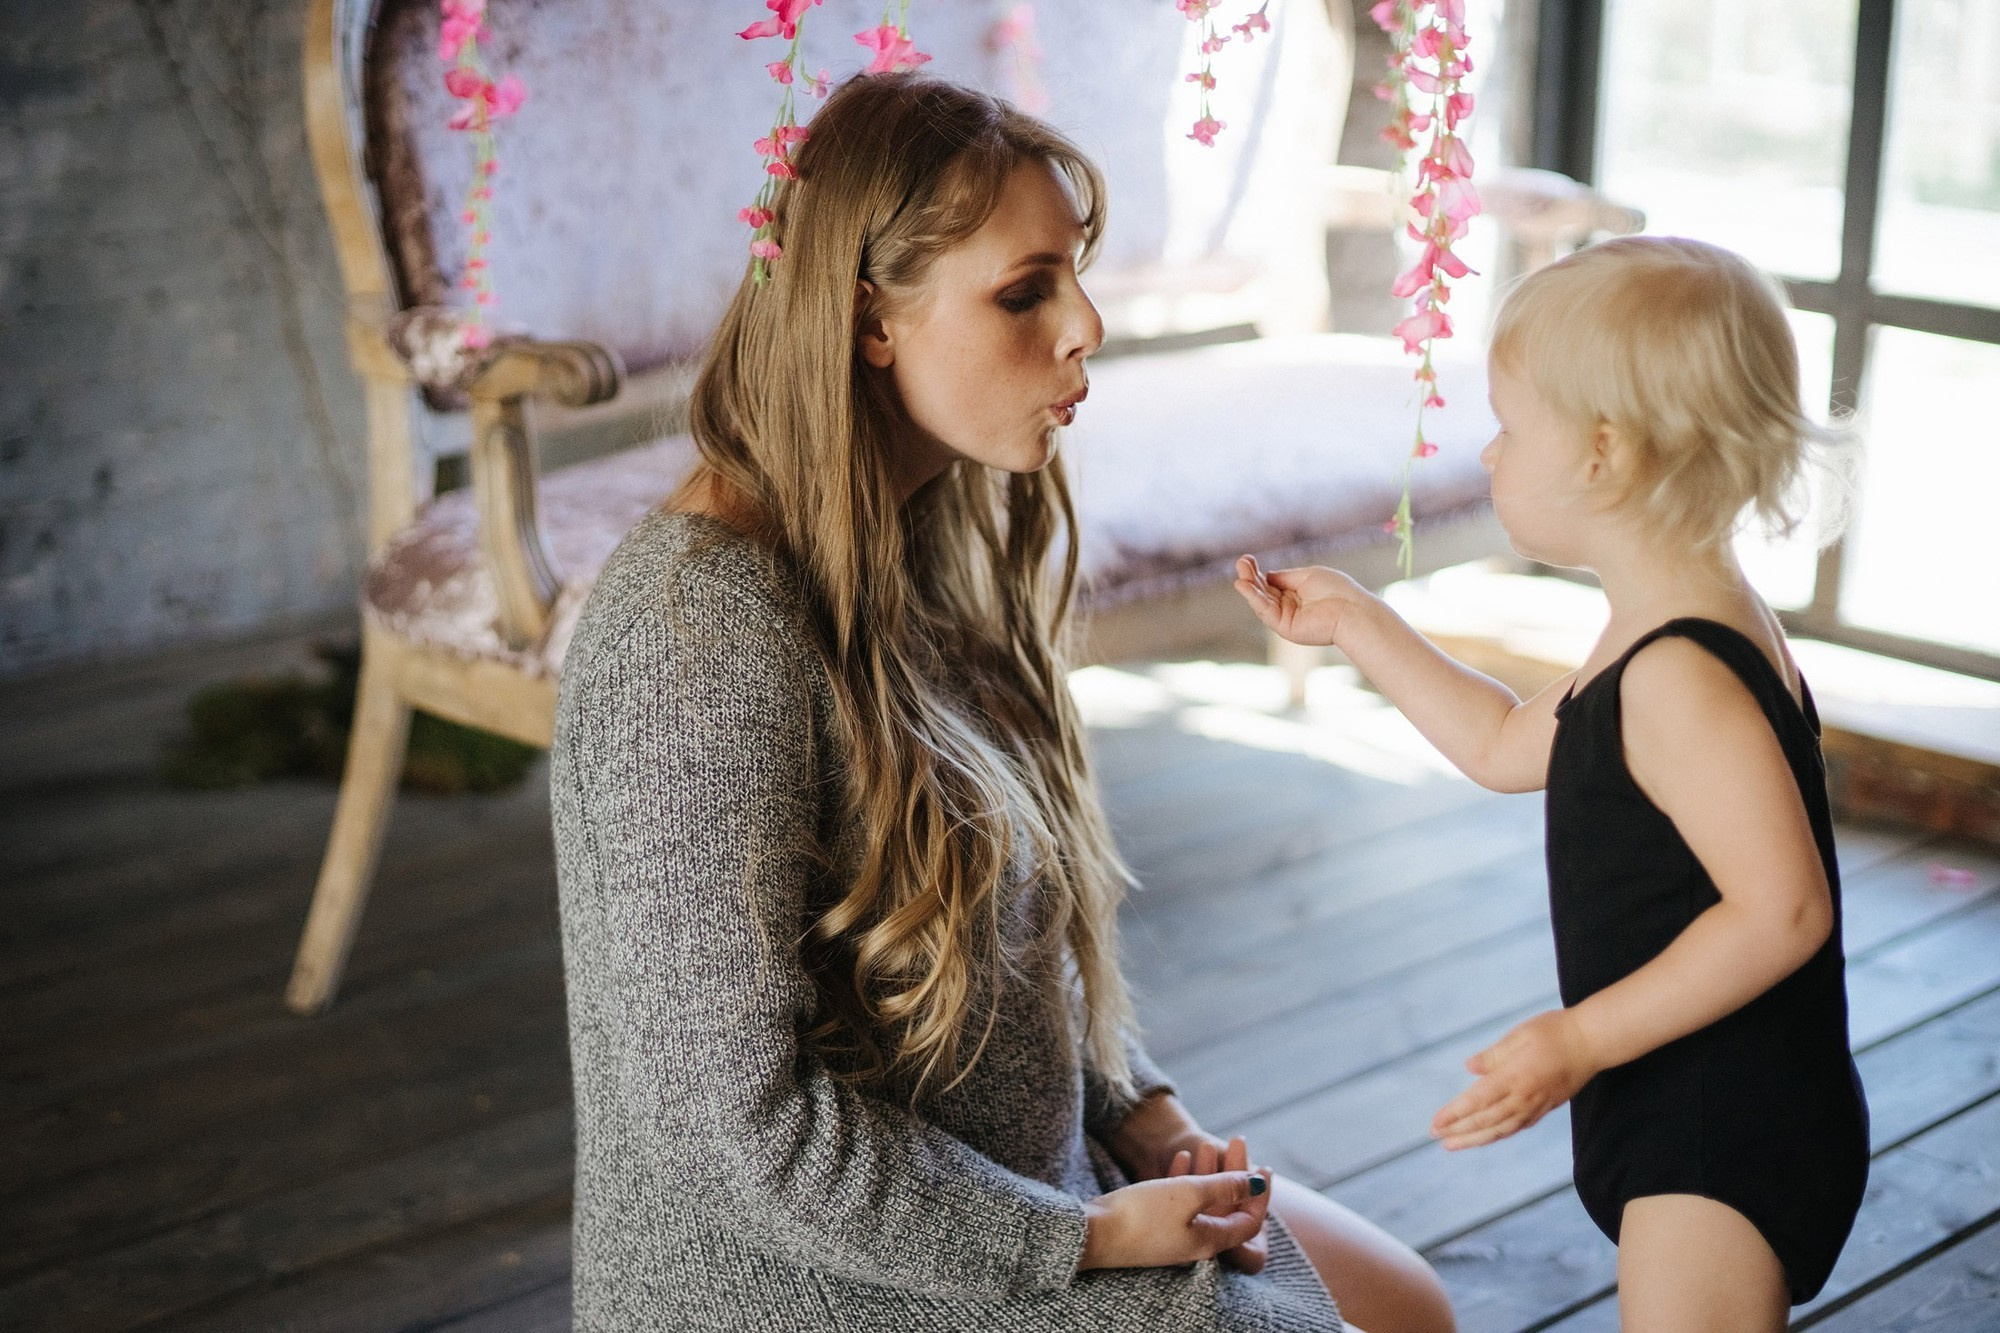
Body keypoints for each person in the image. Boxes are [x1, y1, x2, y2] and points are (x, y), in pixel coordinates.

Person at [550, 73, 1454, 1333]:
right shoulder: (697, 629)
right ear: (869, 319)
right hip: (815, 1281)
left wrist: (1142, 1114)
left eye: (1073, 275)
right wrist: (1080, 1239)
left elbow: (1004, 951)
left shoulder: (925, 539)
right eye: (1024, 293)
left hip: (1014, 1188)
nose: (1085, 324)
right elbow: (730, 1127)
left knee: (1410, 1306)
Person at [1237, 235, 1869, 1331]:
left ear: (1602, 454)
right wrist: (1357, 621)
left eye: (1510, 426)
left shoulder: (1676, 671)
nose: (1489, 451)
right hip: (1689, 1085)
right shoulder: (1669, 627)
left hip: (1718, 1115)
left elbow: (1784, 909)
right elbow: (1499, 744)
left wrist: (1577, 1042)